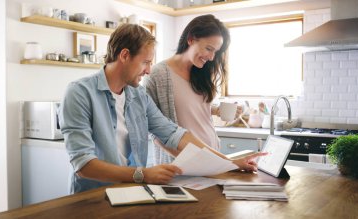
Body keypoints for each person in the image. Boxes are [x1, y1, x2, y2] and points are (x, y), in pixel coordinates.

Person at [60, 23, 265, 193]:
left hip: (133, 192)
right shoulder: (79, 93)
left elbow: (175, 134)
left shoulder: (138, 96)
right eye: (145, 62)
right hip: (92, 197)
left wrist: (229, 163)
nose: (149, 70)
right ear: (124, 55)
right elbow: (83, 165)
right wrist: (143, 174)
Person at [143, 14, 236, 164]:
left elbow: (190, 106)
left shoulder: (202, 72)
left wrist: (216, 110)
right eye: (209, 49)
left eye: (216, 52)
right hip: (182, 164)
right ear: (191, 39)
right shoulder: (157, 75)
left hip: (212, 158)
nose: (212, 57)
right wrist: (188, 159)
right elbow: (153, 130)